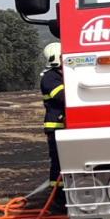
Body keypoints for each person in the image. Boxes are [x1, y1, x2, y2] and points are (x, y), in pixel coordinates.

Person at [40, 42, 65, 198]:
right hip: (56, 126)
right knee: (58, 163)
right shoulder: (50, 78)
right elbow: (63, 96)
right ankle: (57, 196)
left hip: (63, 125)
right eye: (63, 57)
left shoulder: (59, 75)